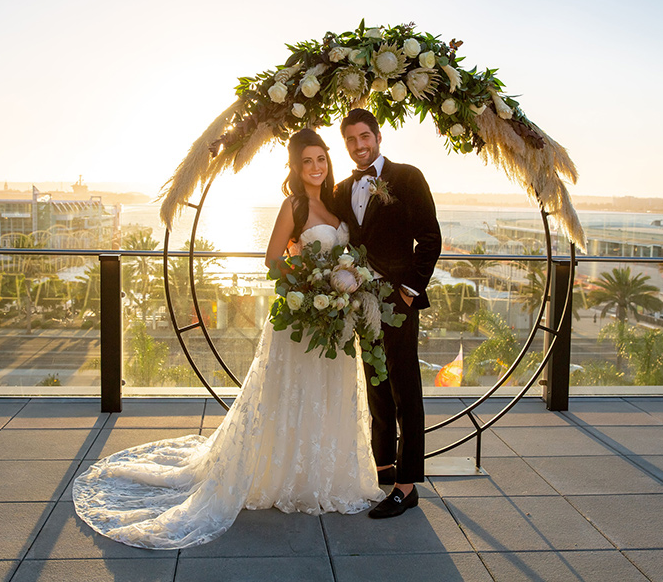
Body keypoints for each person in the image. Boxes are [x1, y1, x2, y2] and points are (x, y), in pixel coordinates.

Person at [73, 128, 383, 549]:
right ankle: (284, 477)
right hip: (303, 318)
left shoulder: (335, 201)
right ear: (296, 167)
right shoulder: (293, 205)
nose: (315, 167)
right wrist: (314, 286)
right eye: (307, 161)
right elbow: (273, 259)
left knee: (326, 392)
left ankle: (321, 476)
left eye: (321, 159)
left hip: (334, 322)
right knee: (292, 393)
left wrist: (339, 289)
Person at [333, 108, 442, 519]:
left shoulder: (407, 177)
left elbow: (430, 238)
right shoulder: (343, 189)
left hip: (398, 301)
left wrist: (409, 292)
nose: (360, 146)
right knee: (375, 385)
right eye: (351, 140)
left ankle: (408, 485)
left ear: (378, 136)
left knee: (404, 390)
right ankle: (383, 469)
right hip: (362, 303)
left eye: (365, 137)